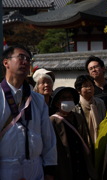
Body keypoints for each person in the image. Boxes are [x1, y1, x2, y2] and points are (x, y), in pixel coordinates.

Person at [0, 45, 57, 180]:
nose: (25, 62)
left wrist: (50, 169)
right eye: (21, 57)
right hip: (6, 168)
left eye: (28, 59)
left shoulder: (37, 99)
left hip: (35, 167)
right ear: (6, 62)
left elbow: (48, 137)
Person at [50, 87, 96, 180]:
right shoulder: (52, 121)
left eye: (70, 97)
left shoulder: (78, 117)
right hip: (64, 163)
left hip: (80, 163)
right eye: (64, 98)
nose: (68, 100)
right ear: (56, 103)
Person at [74, 75, 106, 144]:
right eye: (85, 86)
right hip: (83, 141)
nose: (89, 88)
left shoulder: (99, 103)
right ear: (79, 90)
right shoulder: (76, 105)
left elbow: (104, 120)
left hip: (100, 138)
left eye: (91, 85)